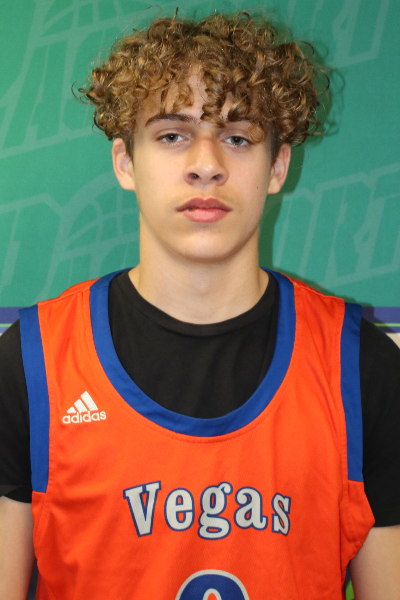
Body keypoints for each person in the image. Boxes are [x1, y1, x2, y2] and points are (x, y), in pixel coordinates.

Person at [0, 11, 399, 600]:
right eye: (172, 134)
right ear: (125, 163)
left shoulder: (361, 369)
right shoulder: (31, 366)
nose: (207, 164)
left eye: (238, 137)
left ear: (278, 167)